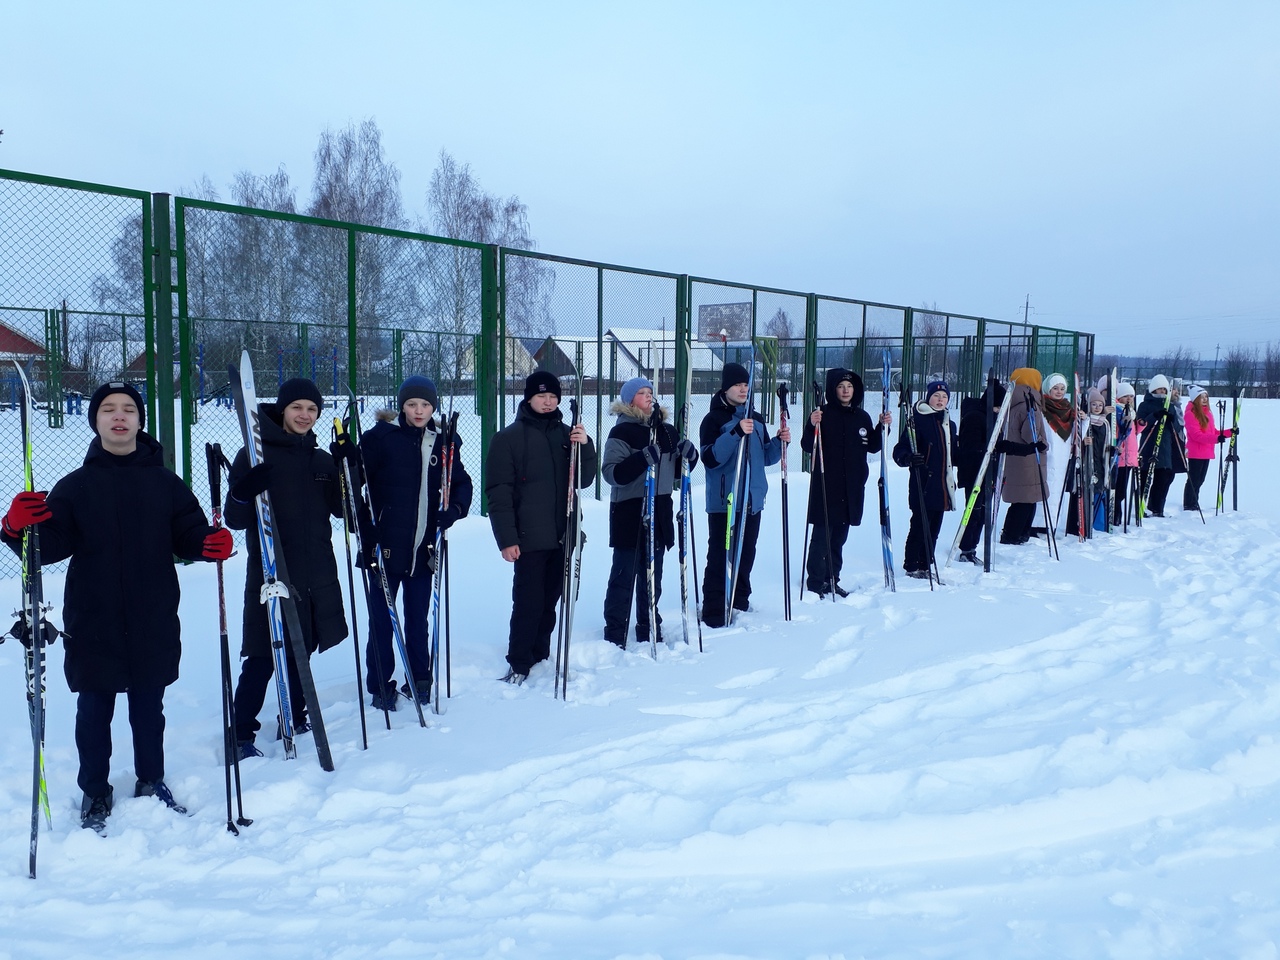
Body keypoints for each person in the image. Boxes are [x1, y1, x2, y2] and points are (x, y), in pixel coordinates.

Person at [1, 382, 232, 834]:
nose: (119, 416)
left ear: (141, 422)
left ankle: (151, 780)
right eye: (108, 409)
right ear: (96, 421)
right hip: (93, 615)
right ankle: (95, 790)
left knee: (149, 707)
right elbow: (46, 548)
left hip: (153, 611)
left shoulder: (167, 483)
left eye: (129, 409)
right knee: (94, 710)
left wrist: (207, 544)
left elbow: (187, 533)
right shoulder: (76, 486)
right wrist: (14, 528)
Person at [225, 378, 348, 757]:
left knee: (302, 650)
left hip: (314, 573)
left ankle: (293, 716)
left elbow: (347, 513)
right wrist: (243, 491)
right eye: (297, 408)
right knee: (263, 655)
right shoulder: (255, 456)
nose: (305, 415)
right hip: (270, 574)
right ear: (282, 409)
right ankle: (240, 732)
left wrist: (349, 470)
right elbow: (234, 517)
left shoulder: (323, 462)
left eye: (312, 409)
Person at [349, 376, 471, 709]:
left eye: (426, 405)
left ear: (434, 407)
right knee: (381, 619)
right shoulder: (381, 438)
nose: (419, 411)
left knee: (418, 618)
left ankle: (419, 679)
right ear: (402, 405)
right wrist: (363, 524)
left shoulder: (444, 441)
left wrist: (455, 509)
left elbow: (461, 482)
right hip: (384, 547)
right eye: (412, 404)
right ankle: (380, 685)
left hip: (424, 548)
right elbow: (352, 486)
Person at [486, 371, 596, 683]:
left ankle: (541, 656)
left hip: (563, 535)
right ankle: (519, 662)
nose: (547, 402)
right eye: (541, 396)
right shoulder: (508, 439)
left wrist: (585, 446)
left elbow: (584, 480)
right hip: (527, 537)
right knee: (527, 603)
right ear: (529, 398)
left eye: (552, 397)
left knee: (550, 602)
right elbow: (498, 493)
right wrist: (506, 538)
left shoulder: (567, 435)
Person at [600, 377, 698, 647]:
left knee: (653, 573)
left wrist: (690, 457)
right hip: (629, 511)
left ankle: (648, 624)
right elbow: (612, 473)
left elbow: (677, 472)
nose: (648, 397)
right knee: (624, 573)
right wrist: (642, 457)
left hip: (660, 509)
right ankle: (615, 630)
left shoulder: (666, 431)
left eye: (650, 392)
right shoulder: (622, 432)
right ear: (629, 400)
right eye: (641, 393)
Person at [699, 362, 788, 626]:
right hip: (725, 502)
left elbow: (765, 458)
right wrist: (736, 433)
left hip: (752, 501)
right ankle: (714, 609)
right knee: (719, 556)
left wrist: (778, 442)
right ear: (726, 388)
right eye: (737, 385)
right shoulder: (714, 420)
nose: (743, 389)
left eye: (746, 385)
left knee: (747, 553)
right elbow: (711, 458)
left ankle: (739, 600)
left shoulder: (756, 419)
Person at [801, 367, 891, 593]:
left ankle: (833, 578)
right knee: (822, 536)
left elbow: (872, 446)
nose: (845, 390)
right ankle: (815, 582)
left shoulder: (861, 417)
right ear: (833, 389)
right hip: (826, 485)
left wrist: (883, 427)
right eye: (841, 386)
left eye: (849, 386)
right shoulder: (822, 414)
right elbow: (806, 446)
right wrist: (812, 424)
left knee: (839, 538)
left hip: (851, 487)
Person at [892, 379, 959, 578]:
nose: (940, 400)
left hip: (943, 484)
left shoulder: (949, 423)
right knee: (920, 525)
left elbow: (953, 453)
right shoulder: (918, 420)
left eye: (944, 396)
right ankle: (912, 565)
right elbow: (900, 449)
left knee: (934, 527)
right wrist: (909, 458)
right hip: (924, 482)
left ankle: (926, 564)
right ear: (929, 397)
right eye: (936, 396)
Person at [997, 368, 1050, 545]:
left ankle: (1015, 533)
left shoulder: (1011, 401)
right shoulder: (1030, 403)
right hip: (1028, 459)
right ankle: (1016, 534)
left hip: (1014, 458)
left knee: (1021, 499)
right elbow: (1030, 435)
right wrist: (1043, 443)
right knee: (1027, 499)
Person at [955, 377, 1006, 563]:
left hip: (989, 473)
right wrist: (986, 451)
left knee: (984, 512)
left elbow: (998, 445)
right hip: (974, 473)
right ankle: (965, 548)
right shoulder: (975, 417)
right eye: (998, 406)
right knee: (974, 511)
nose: (1000, 411)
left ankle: (972, 547)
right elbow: (970, 448)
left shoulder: (993, 418)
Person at [1181, 385, 1233, 512]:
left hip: (1206, 451)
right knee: (1194, 479)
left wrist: (1228, 433)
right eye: (1201, 397)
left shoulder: (1207, 413)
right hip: (1196, 452)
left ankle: (1194, 502)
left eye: (1206, 397)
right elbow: (1197, 435)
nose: (1204, 399)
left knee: (1200, 479)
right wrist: (1216, 439)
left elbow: (1213, 432)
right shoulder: (1191, 414)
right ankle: (1189, 503)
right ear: (1195, 399)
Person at [1065, 387, 1109, 536]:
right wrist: (1085, 442)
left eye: (1100, 405)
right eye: (1094, 404)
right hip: (1085, 462)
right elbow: (1076, 439)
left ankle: (1098, 524)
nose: (1097, 408)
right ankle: (1080, 523)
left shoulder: (1105, 424)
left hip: (1100, 463)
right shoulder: (1085, 421)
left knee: (1098, 492)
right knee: (1084, 491)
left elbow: (1106, 443)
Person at [1038, 373, 1075, 537]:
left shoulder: (1068, 410)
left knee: (1056, 491)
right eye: (1055, 388)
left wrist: (1084, 420)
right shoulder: (1042, 407)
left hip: (1062, 459)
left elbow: (1075, 433)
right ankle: (1037, 524)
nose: (1059, 392)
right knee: (1044, 490)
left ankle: (1051, 523)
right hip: (1048, 455)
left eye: (1062, 388)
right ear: (1048, 388)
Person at [1136, 374, 1176, 518]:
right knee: (1145, 477)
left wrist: (1172, 420)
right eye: (1159, 389)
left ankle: (1157, 507)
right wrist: (1154, 416)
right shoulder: (1145, 405)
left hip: (1164, 447)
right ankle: (1140, 505)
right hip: (1149, 446)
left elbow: (1175, 428)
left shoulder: (1169, 405)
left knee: (1163, 478)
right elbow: (1141, 425)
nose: (1162, 393)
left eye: (1164, 390)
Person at [1111, 381, 1139, 526]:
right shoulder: (1118, 410)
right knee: (1118, 489)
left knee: (1122, 489)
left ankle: (1118, 515)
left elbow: (1134, 433)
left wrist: (1140, 423)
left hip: (1130, 456)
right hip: (1121, 456)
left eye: (1131, 396)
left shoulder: (1131, 412)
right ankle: (1115, 515)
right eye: (1125, 396)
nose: (1129, 399)